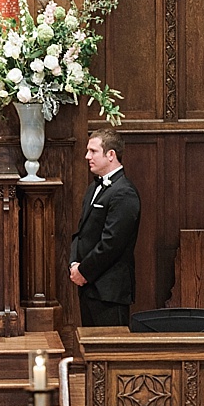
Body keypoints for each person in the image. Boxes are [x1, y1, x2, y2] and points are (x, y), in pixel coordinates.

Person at [69, 128, 141, 327]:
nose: (87, 156)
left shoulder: (124, 192)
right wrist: (74, 263)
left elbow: (112, 243)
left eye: (93, 151)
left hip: (109, 291)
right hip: (88, 286)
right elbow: (82, 232)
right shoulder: (94, 187)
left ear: (111, 155)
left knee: (110, 352)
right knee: (91, 353)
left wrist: (84, 271)